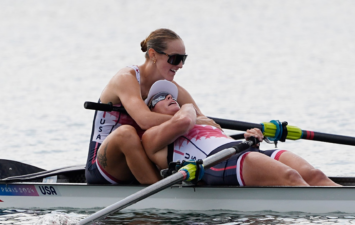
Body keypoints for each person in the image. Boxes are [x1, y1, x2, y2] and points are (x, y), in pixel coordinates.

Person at [141, 80, 340, 186]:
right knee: (290, 177)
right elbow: (184, 119)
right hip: (215, 163)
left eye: (171, 95)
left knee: (315, 176)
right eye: (160, 97)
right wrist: (188, 106)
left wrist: (252, 139)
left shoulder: (202, 122)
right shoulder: (150, 136)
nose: (169, 96)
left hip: (241, 154)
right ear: (148, 110)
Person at [86, 28, 220, 184]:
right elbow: (145, 120)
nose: (181, 65)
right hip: (103, 166)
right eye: (175, 58)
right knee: (126, 134)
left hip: (142, 159)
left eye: (184, 58)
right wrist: (189, 120)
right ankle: (161, 193)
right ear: (153, 55)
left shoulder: (171, 88)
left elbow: (205, 121)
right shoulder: (125, 79)